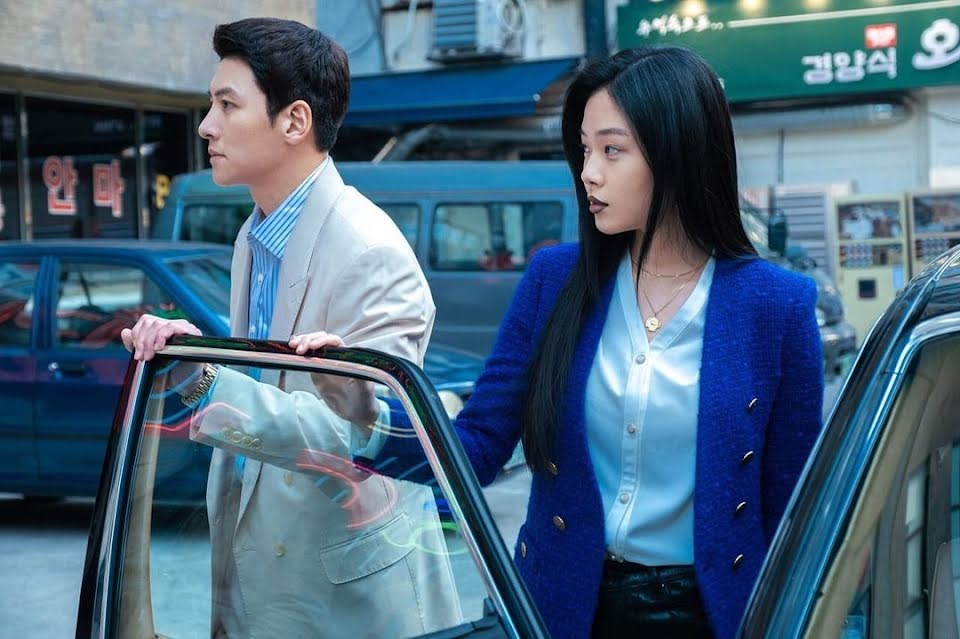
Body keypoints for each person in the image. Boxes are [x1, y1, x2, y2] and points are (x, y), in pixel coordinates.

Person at [296, 45, 824, 639]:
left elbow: (796, 508)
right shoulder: (555, 281)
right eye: (584, 149)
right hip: (562, 605)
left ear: (679, 152)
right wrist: (366, 412)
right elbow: (477, 447)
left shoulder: (776, 305)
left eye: (612, 150)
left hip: (715, 613)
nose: (588, 172)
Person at [120, 18, 460, 639]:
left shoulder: (369, 250)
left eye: (227, 105)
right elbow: (269, 389)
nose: (206, 126)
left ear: (294, 121)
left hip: (344, 598)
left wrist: (203, 375)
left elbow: (363, 434)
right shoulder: (256, 234)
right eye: (210, 105)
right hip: (257, 565)